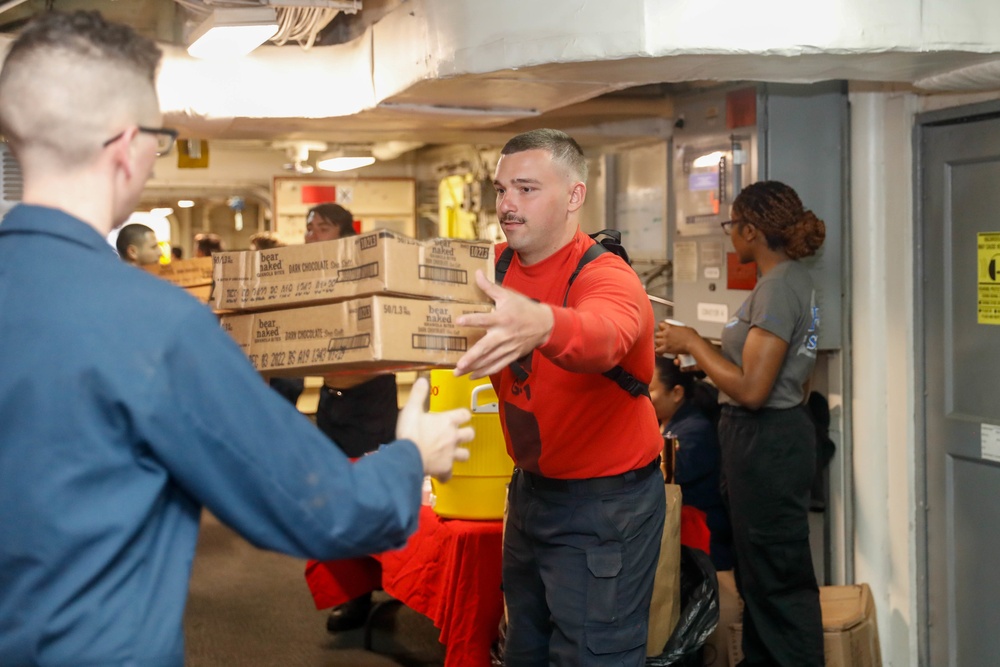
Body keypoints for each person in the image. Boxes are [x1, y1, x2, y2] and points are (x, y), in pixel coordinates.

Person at [0, 11, 473, 666]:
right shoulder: (155, 326)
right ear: (127, 144)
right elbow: (317, 507)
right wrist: (411, 455)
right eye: (162, 139)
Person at [453, 128, 665, 666]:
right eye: (501, 190)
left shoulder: (606, 277)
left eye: (526, 189)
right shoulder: (494, 267)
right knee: (523, 649)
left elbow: (605, 336)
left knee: (594, 656)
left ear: (574, 196)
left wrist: (543, 321)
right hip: (530, 491)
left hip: (603, 505)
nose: (507, 205)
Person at [654, 180, 825, 667]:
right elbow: (794, 374)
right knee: (761, 573)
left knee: (775, 578)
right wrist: (707, 363)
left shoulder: (777, 289)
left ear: (751, 229)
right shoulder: (794, 281)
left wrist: (693, 343)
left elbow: (752, 389)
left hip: (766, 442)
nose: (730, 234)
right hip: (776, 434)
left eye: (732, 225)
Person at [300, 201, 402, 631]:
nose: (311, 235)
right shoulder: (307, 281)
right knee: (332, 498)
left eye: (321, 228)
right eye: (309, 228)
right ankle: (354, 596)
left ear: (344, 235)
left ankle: (390, 584)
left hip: (370, 403)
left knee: (370, 497)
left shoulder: (369, 277)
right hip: (331, 400)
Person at [650, 355, 733, 571]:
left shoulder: (695, 430)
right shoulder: (663, 423)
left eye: (650, 389)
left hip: (701, 540)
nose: (643, 396)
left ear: (677, 393)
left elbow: (664, 477)